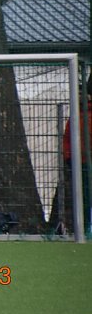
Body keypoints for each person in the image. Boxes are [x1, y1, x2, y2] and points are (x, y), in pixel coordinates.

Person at [61, 81, 92, 234]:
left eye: (82, 94)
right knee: (84, 196)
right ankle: (85, 227)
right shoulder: (75, 116)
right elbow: (67, 139)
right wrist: (69, 157)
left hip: (86, 161)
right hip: (80, 163)